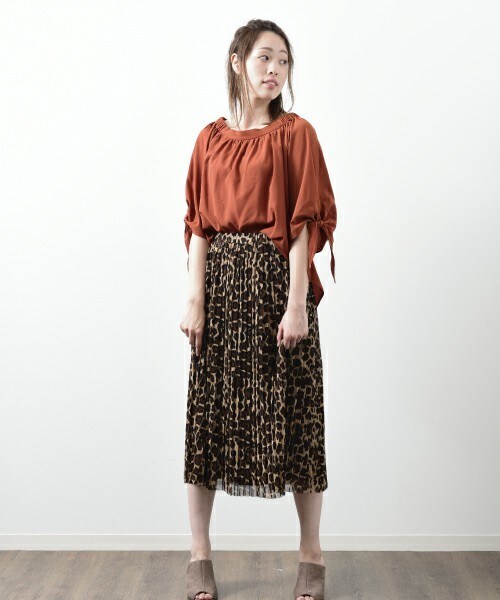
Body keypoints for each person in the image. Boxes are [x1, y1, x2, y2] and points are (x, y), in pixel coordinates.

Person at [179, 18, 337, 600]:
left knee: (299, 420)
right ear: (237, 61)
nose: (275, 69)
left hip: (277, 290)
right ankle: (199, 554)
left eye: (284, 61)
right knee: (207, 419)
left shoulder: (296, 134)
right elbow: (199, 225)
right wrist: (194, 299)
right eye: (265, 57)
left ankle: (311, 556)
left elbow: (304, 223)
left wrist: (297, 305)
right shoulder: (209, 139)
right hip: (221, 292)